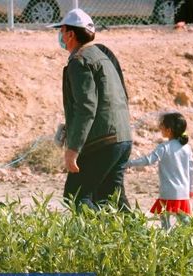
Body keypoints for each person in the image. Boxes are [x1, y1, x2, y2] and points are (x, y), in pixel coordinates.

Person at [50, 9, 133, 210]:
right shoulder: (101, 54)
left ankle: (95, 240)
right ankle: (142, 240)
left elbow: (86, 108)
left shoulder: (80, 61)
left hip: (103, 140)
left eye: (62, 31)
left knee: (76, 196)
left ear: (70, 34)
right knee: (111, 197)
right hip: (122, 137)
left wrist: (73, 149)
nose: (60, 36)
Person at [125, 112, 193, 230]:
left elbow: (148, 160)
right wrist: (191, 189)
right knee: (185, 221)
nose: (160, 128)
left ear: (169, 130)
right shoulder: (187, 148)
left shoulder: (164, 147)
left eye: (162, 126)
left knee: (165, 221)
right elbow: (192, 170)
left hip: (168, 192)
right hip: (183, 192)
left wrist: (129, 163)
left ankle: (167, 240)